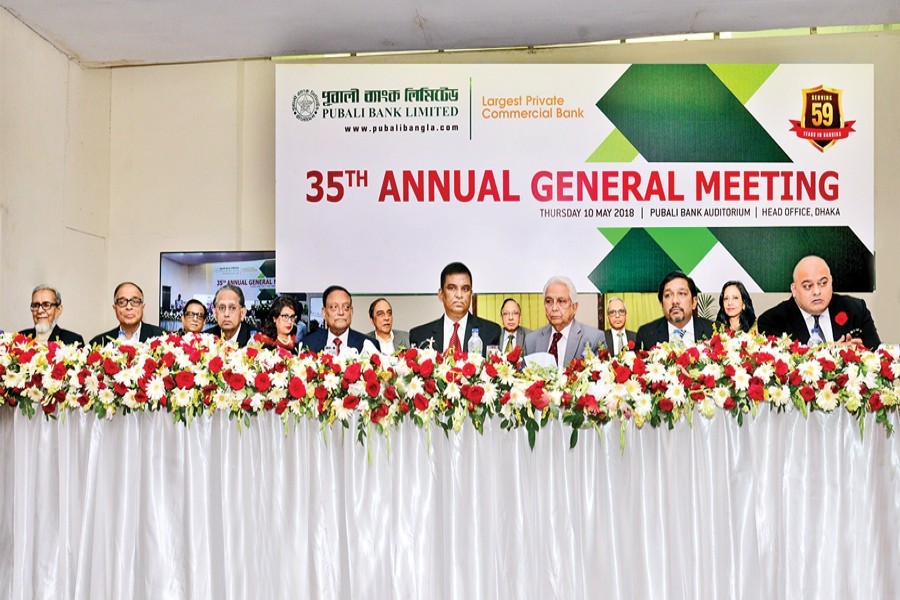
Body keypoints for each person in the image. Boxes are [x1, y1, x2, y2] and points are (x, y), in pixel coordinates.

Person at [757, 255, 880, 348]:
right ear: (794, 290)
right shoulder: (772, 321)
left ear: (831, 283)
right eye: (807, 286)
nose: (817, 291)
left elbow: (878, 354)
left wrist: (863, 353)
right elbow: (780, 370)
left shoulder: (856, 309)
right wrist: (835, 354)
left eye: (823, 283)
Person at [409, 262, 501, 355]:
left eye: (465, 289)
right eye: (452, 288)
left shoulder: (491, 332)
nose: (459, 295)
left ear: (471, 294)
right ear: (441, 294)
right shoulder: (419, 335)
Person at [523, 276, 604, 367]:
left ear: (574, 307)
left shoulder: (594, 338)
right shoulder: (531, 340)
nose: (554, 308)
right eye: (549, 301)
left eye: (561, 301)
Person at [635, 271, 714, 350]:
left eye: (682, 293)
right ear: (661, 303)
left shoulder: (713, 332)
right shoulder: (646, 335)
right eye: (668, 295)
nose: (675, 301)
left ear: (694, 302)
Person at [301, 285, 378, 354]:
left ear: (351, 312)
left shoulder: (369, 345)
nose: (341, 312)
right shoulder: (308, 344)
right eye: (335, 307)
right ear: (324, 313)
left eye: (346, 307)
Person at [90, 282, 165, 345]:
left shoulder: (163, 339)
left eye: (135, 302)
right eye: (122, 302)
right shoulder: (99, 343)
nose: (129, 307)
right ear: (115, 308)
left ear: (142, 307)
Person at [19, 285, 84, 345]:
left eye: (46, 305)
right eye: (35, 305)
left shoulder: (73, 341)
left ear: (58, 310)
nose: (40, 310)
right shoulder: (20, 338)